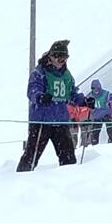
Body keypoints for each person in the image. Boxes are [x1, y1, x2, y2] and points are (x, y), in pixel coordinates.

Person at [16, 39, 85, 172]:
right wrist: (40, 97)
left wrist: (84, 101)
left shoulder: (67, 75)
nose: (62, 60)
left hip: (61, 121)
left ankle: (70, 180)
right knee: (31, 157)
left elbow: (72, 94)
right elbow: (32, 90)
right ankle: (21, 179)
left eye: (65, 57)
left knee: (68, 158)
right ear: (51, 56)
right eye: (59, 57)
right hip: (42, 121)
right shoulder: (40, 73)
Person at [85, 79, 112, 144]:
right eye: (94, 89)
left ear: (99, 87)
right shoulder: (90, 96)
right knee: (95, 131)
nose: (96, 90)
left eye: (97, 88)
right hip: (97, 117)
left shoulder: (106, 94)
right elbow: (85, 106)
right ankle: (94, 143)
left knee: (110, 129)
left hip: (106, 115)